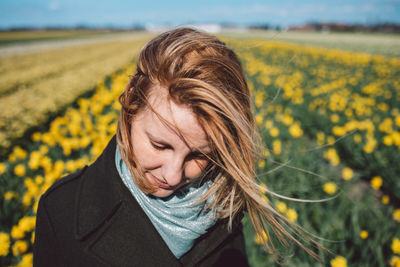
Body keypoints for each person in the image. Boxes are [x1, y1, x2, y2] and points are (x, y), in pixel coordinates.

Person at [33, 27, 317, 267]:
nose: (172, 176)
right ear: (131, 106)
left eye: (198, 155)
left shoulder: (221, 207)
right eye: (159, 145)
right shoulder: (61, 210)